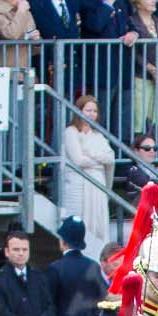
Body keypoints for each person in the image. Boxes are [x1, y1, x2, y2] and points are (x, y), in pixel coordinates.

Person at [58, 92, 117, 252]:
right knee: (80, 222)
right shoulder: (71, 132)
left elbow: (110, 157)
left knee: (98, 223)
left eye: (95, 111)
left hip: (98, 183)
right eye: (88, 110)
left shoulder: (98, 135)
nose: (92, 114)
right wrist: (99, 160)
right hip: (78, 185)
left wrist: (91, 156)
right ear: (79, 111)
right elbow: (78, 159)